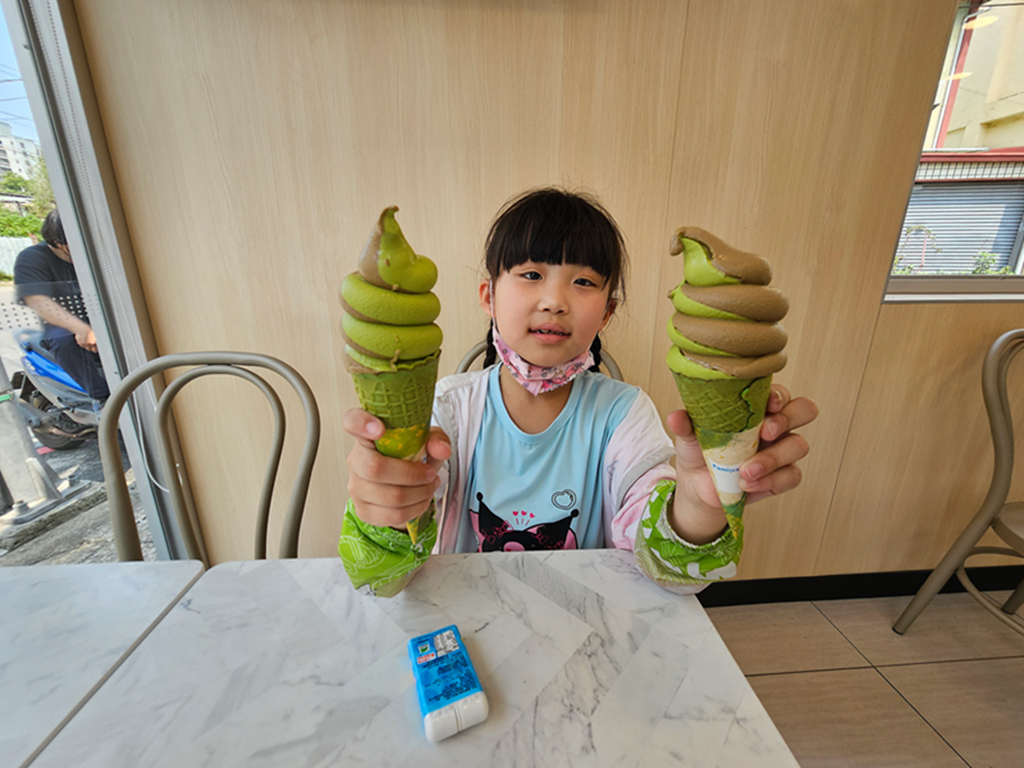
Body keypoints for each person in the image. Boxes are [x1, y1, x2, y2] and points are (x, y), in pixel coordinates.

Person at [339, 188, 817, 595]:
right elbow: (381, 580)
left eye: (583, 281)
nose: (554, 300)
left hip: (587, 623)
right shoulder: (450, 409)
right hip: (464, 622)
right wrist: (383, 513)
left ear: (607, 313)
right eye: (530, 274)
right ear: (489, 296)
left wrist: (699, 505)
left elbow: (669, 572)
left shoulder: (623, 413)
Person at [13, 208, 109, 402]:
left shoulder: (96, 257)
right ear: (62, 244)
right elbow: (38, 301)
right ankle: (103, 401)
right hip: (63, 328)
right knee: (63, 338)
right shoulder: (32, 259)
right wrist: (80, 328)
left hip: (100, 320)